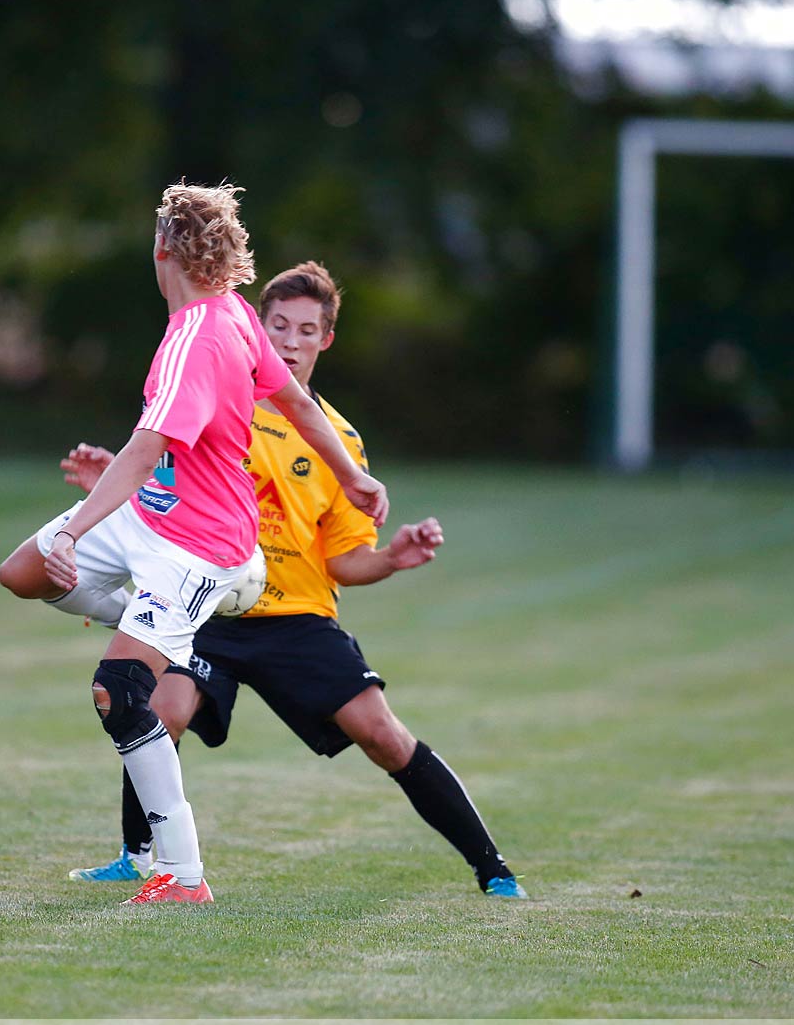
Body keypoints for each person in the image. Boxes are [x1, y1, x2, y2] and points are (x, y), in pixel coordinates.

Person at [60, 262, 525, 898]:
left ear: (326, 339)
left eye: (306, 329)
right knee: (156, 707)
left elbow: (341, 562)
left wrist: (391, 556)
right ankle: (137, 855)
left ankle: (493, 871)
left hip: (296, 620)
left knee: (383, 735)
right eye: (276, 324)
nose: (289, 339)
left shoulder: (339, 441)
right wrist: (114, 487)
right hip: (210, 608)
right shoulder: (219, 399)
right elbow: (161, 482)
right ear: (257, 326)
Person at [0, 187, 389, 906]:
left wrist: (78, 530)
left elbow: (146, 452)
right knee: (21, 572)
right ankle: (142, 616)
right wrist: (354, 474)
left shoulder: (196, 339)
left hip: (206, 545)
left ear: (162, 252)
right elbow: (299, 404)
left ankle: (185, 875)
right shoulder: (235, 314)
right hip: (156, 519)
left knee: (118, 692)